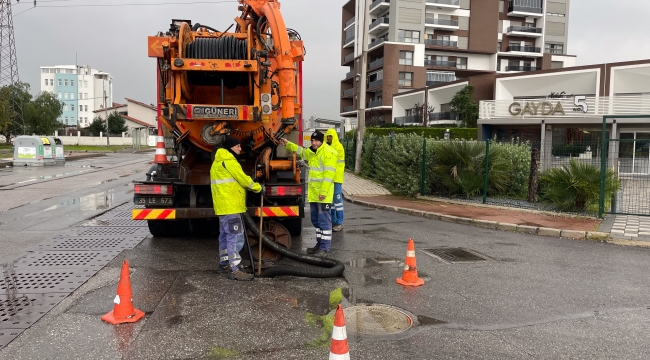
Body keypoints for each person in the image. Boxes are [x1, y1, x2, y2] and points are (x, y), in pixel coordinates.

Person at [210, 137, 262, 281]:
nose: (240, 149)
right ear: (230, 147)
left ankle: (224, 264)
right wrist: (258, 188)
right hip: (231, 205)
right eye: (238, 146)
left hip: (222, 206)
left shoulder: (217, 162)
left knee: (225, 236)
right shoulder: (230, 162)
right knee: (235, 236)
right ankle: (235, 268)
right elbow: (244, 180)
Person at [280, 131, 337, 256]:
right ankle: (319, 245)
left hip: (323, 195)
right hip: (314, 194)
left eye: (316, 141)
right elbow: (301, 150)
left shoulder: (328, 153)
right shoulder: (312, 152)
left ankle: (324, 248)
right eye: (312, 140)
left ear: (321, 141)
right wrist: (287, 144)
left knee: (324, 222)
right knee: (316, 221)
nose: (314, 143)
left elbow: (329, 175)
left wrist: (323, 192)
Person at [325, 128, 345, 232]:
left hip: (336, 178)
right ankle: (333, 221)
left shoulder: (338, 147)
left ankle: (339, 223)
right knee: (331, 202)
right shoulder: (326, 146)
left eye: (330, 136)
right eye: (327, 136)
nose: (329, 138)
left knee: (338, 201)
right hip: (329, 179)